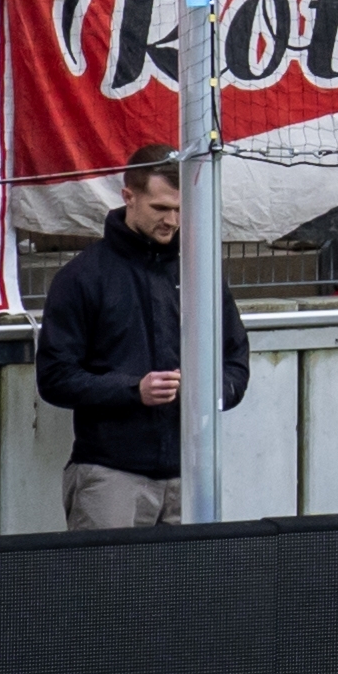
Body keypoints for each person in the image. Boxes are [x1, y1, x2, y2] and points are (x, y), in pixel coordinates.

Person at [30, 157, 250, 528]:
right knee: (110, 586)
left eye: (182, 209)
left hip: (192, 472)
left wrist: (210, 392)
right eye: (160, 208)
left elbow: (236, 360)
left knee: (195, 588)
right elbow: (54, 378)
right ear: (128, 197)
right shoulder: (82, 277)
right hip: (111, 474)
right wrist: (134, 389)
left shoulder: (201, 269)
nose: (172, 220)